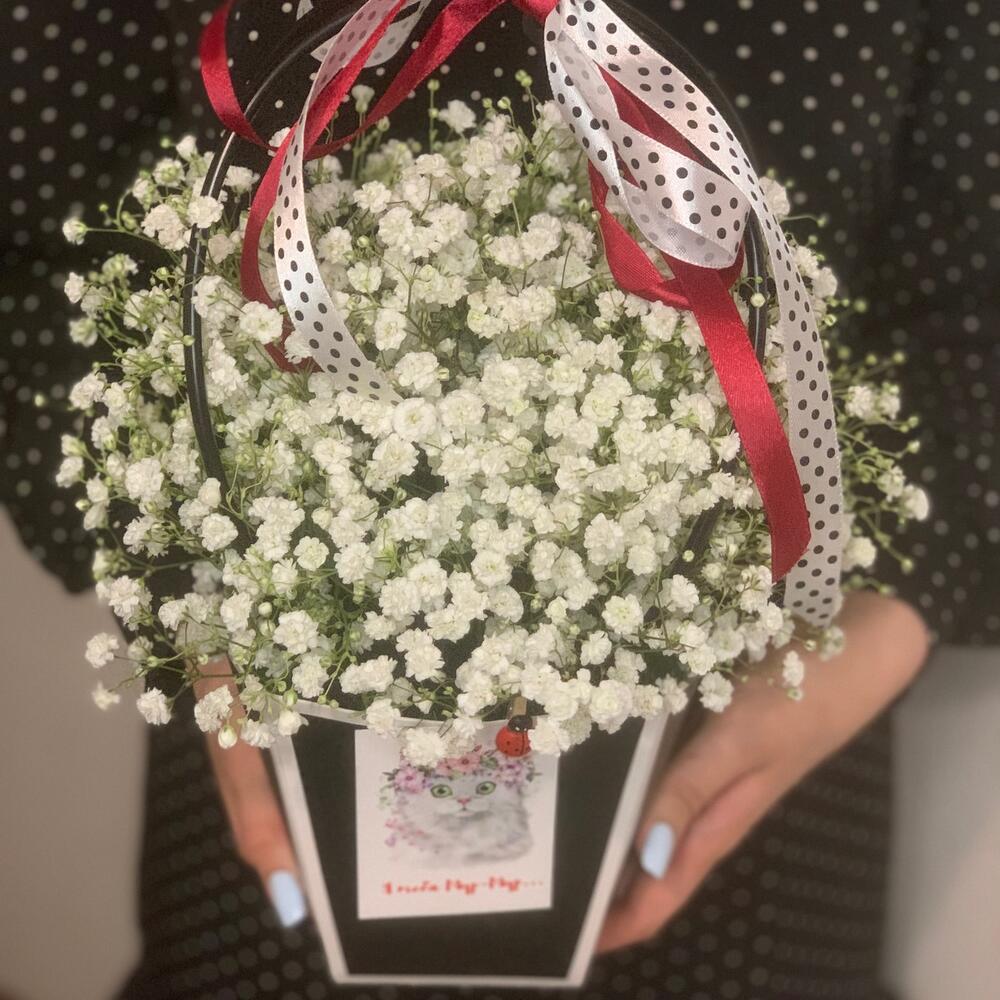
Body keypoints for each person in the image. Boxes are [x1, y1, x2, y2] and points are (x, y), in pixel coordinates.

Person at [2, 1, 995, 997]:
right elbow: (39, 239)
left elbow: (976, 290)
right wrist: (183, 597)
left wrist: (873, 632)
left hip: (760, 772)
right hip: (270, 736)